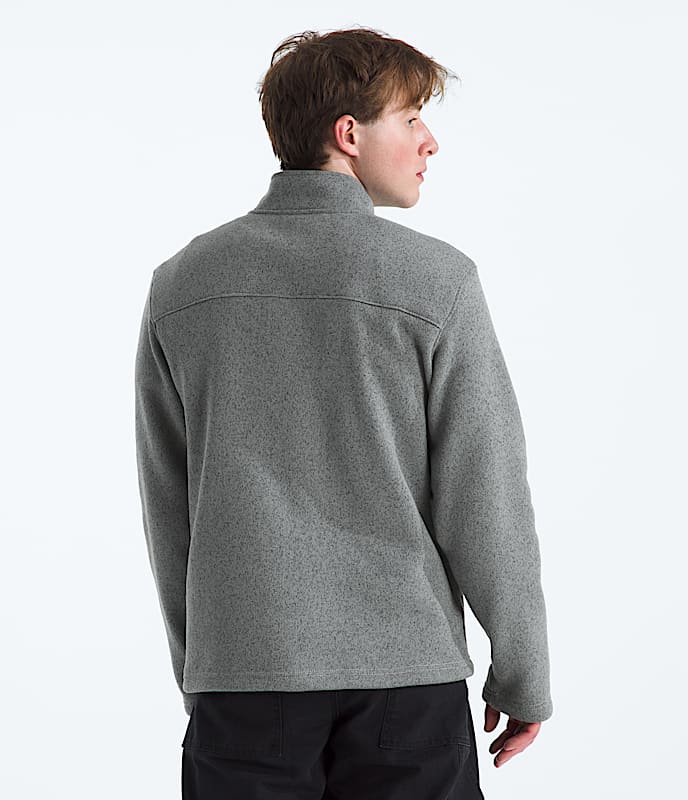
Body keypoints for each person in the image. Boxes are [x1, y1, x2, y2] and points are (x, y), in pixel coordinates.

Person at [134, 26, 553, 800]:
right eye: (411, 117)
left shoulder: (182, 286)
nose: (430, 141)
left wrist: (205, 670)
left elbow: (171, 507)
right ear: (349, 134)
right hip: (408, 683)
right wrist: (524, 671)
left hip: (243, 678)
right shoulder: (436, 282)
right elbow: (486, 496)